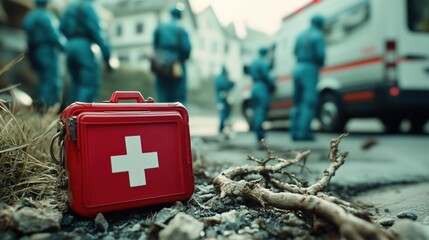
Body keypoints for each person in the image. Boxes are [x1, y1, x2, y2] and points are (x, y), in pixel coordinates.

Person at [60, 0, 113, 104]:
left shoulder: (69, 7)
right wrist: (108, 56)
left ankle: (71, 116)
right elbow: (96, 31)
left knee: (75, 84)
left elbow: (61, 28)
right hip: (85, 46)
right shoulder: (89, 7)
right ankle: (82, 116)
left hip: (69, 46)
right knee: (87, 84)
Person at [22, 0, 66, 109]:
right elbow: (54, 34)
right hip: (47, 50)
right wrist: (64, 46)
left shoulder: (30, 16)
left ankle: (39, 105)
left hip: (34, 50)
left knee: (42, 80)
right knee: (51, 79)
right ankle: (47, 107)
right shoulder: (47, 16)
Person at [290, 14, 326, 141]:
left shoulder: (300, 35)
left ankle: (294, 131)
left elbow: (294, 52)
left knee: (297, 101)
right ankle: (303, 133)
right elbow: (320, 55)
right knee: (309, 101)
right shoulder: (318, 35)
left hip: (297, 68)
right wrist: (319, 65)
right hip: (309, 68)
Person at [152, 6, 191, 105]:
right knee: (178, 97)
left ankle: (162, 118)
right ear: (180, 16)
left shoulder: (160, 28)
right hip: (176, 65)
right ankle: (179, 119)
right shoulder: (181, 30)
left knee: (162, 95)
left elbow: (155, 46)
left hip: (161, 65)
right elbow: (187, 49)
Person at [248, 47, 276, 147]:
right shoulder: (263, 62)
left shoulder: (254, 62)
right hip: (262, 88)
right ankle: (260, 135)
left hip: (254, 87)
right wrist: (272, 86)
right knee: (261, 111)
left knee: (256, 111)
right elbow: (266, 75)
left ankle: (258, 134)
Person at [215, 65, 235, 138]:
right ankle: (221, 129)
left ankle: (225, 130)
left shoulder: (221, 78)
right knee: (223, 115)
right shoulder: (221, 78)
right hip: (221, 100)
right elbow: (226, 85)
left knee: (226, 115)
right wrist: (231, 82)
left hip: (225, 99)